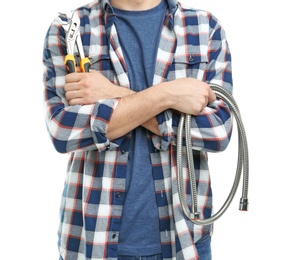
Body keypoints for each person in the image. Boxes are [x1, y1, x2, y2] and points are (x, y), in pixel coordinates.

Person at [42, 0, 233, 259]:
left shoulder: (205, 28)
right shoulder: (69, 28)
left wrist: (111, 94)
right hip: (91, 241)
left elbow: (218, 131)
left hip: (186, 242)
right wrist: (168, 96)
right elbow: (63, 130)